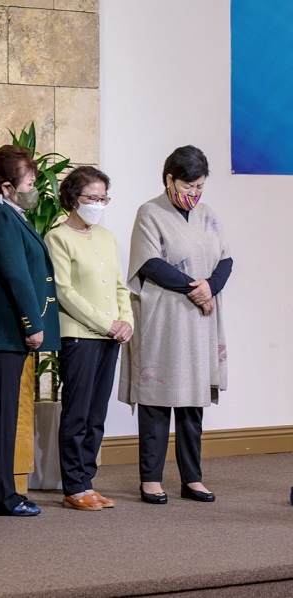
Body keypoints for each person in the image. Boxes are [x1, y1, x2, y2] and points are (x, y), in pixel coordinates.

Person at [119, 145, 232, 504]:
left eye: (200, 186)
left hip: (199, 321)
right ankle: (151, 480)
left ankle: (192, 478)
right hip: (163, 317)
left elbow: (226, 260)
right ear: (169, 179)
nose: (194, 193)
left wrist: (210, 287)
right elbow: (150, 263)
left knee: (192, 401)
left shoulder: (208, 215)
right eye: (188, 185)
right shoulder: (150, 212)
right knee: (157, 398)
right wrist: (196, 290)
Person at [0, 145, 60, 517]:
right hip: (1, 333)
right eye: (28, 183)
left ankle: (0, 492)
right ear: (7, 186)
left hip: (6, 334)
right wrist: (33, 323)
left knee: (3, 414)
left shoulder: (7, 212)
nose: (33, 190)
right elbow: (15, 275)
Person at [44, 166, 132, 511]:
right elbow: (64, 292)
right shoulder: (58, 237)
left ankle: (88, 481)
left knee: (97, 414)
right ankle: (74, 485)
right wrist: (107, 324)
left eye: (103, 198)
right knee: (77, 413)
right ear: (72, 198)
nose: (98, 204)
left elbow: (120, 286)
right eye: (91, 198)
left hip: (110, 337)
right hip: (80, 336)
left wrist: (126, 322)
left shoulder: (106, 237)